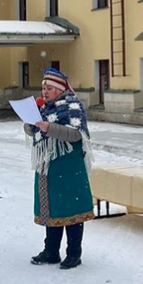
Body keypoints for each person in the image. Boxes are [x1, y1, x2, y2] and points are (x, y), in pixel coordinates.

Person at [24, 68, 93, 270]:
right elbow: (35, 131)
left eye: (49, 88)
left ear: (60, 89)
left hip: (68, 167)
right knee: (52, 209)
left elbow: (76, 134)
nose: (44, 91)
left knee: (71, 209)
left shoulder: (72, 106)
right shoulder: (45, 108)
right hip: (48, 166)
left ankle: (74, 254)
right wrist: (30, 123)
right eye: (43, 87)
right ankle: (51, 251)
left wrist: (49, 128)